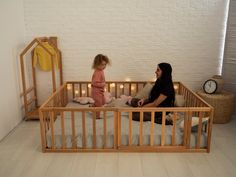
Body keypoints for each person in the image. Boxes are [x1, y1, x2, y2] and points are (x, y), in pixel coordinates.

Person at [91, 54, 111, 119]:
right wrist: (102, 84)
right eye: (102, 64)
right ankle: (97, 116)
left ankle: (93, 106)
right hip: (96, 92)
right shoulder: (97, 72)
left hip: (100, 91)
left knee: (102, 102)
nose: (104, 66)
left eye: (105, 64)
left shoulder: (101, 71)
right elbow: (94, 83)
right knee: (99, 103)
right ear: (97, 64)